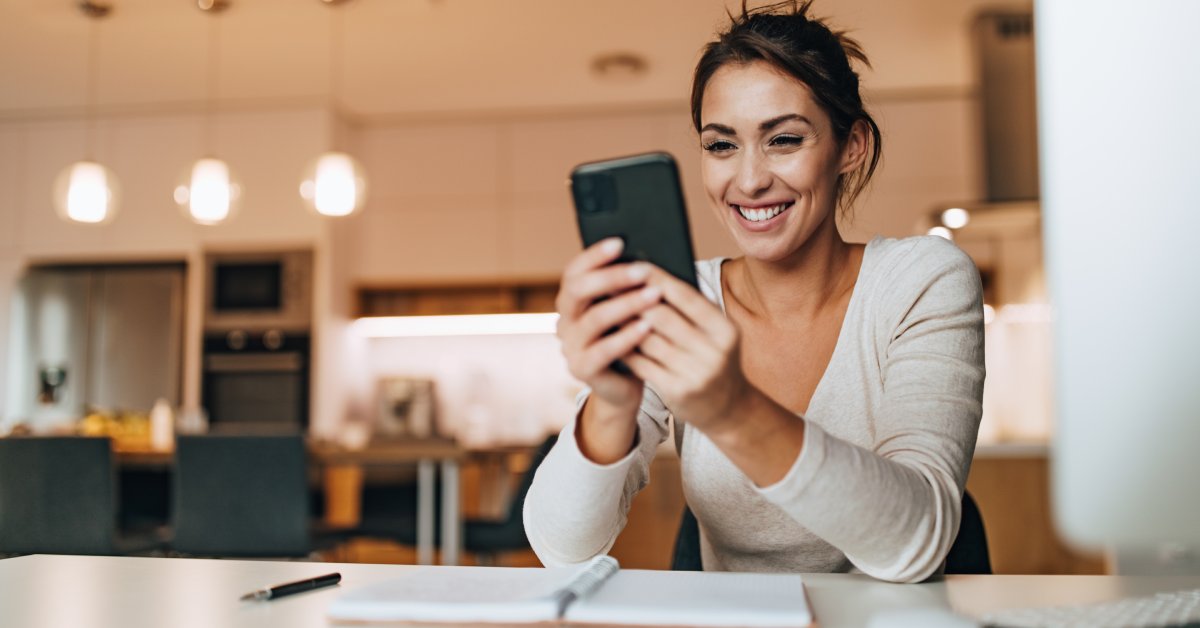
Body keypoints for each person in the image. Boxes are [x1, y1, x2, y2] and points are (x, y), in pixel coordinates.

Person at [523, 0, 984, 584]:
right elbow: (562, 550)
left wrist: (730, 408)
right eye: (721, 145)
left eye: (784, 139)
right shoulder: (678, 298)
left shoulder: (922, 281)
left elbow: (916, 544)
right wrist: (612, 401)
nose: (749, 180)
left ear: (852, 147)